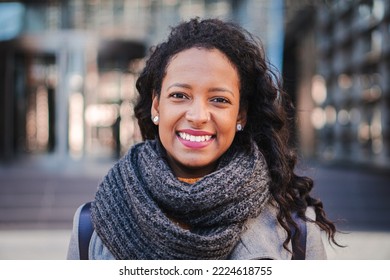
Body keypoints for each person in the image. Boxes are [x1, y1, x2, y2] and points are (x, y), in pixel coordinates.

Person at [67, 17, 339, 260]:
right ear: (156, 106)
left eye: (219, 100)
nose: (197, 115)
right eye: (179, 95)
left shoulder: (298, 230)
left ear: (240, 115)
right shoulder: (90, 226)